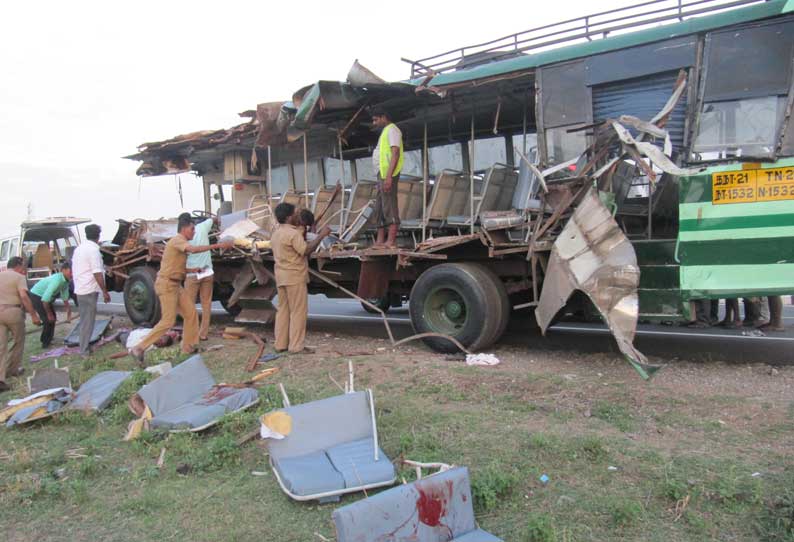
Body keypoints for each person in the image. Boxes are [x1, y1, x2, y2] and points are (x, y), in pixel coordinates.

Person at [130, 214, 233, 364]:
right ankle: (139, 347)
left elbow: (176, 266)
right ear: (184, 229)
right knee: (168, 321)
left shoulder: (179, 242)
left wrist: (193, 270)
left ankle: (188, 347)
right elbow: (193, 250)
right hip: (167, 285)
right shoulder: (178, 240)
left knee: (190, 314)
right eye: (192, 229)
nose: (194, 232)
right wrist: (218, 246)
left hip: (175, 284)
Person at [271, 203, 331, 353]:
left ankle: (280, 344)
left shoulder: (276, 232)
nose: (298, 215)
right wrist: (322, 235)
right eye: (295, 213)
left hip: (281, 275)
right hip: (294, 276)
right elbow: (305, 250)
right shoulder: (293, 234)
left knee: (283, 311)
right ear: (289, 217)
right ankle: (296, 346)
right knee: (298, 312)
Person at [0, 257, 41, 391]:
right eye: (23, 266)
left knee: (1, 346)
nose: (24, 269)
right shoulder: (18, 277)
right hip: (13, 311)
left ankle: (1, 378)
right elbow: (23, 296)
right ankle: (13, 369)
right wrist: (34, 315)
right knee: (18, 341)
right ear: (18, 265)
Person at [72, 224, 111, 356]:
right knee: (87, 321)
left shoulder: (80, 249)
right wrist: (104, 291)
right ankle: (84, 351)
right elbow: (96, 272)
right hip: (88, 290)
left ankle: (84, 347)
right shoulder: (93, 250)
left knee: (85, 320)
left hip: (81, 288)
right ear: (98, 236)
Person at [370, 105, 403, 248]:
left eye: (376, 119)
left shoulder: (393, 130)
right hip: (382, 175)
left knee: (389, 205)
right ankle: (380, 240)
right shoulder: (385, 131)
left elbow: (395, 153)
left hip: (387, 175)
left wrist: (389, 177)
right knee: (379, 207)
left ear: (384, 117)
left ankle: (391, 240)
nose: (374, 123)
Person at [184, 214, 217, 341]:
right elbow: (214, 219)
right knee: (206, 304)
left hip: (193, 274)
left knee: (189, 305)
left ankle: (191, 334)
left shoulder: (183, 237)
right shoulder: (203, 226)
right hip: (207, 272)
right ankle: (203, 334)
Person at [29, 263, 73, 348]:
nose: (72, 274)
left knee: (53, 318)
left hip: (44, 297)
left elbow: (65, 296)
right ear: (63, 270)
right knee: (47, 319)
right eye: (70, 271)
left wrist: (69, 311)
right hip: (37, 295)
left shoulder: (66, 281)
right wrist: (49, 314)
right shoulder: (57, 280)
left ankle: (49, 339)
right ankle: (45, 342)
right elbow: (45, 300)